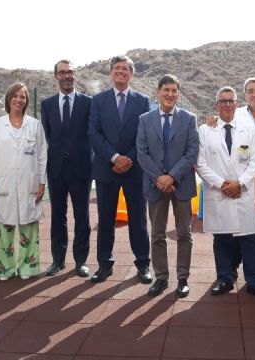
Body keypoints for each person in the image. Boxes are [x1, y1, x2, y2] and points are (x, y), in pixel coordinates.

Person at [196, 86, 255, 300]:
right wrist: (223, 185)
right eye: (223, 101)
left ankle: (254, 282)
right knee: (222, 239)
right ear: (216, 105)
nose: (227, 104)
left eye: (231, 101)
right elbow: (200, 163)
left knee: (249, 239)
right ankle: (224, 278)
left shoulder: (248, 130)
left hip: (242, 193)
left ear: (236, 104)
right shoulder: (205, 130)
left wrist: (241, 183)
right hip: (219, 194)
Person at [88, 55, 152, 284]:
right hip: (107, 169)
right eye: (117, 68)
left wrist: (128, 159)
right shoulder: (98, 100)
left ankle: (143, 264)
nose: (121, 72)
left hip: (135, 170)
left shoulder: (143, 101)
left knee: (138, 219)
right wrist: (114, 157)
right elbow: (94, 133)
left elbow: (144, 134)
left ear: (131, 74)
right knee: (105, 219)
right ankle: (104, 264)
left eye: (125, 69)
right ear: (111, 72)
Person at [137, 74, 199, 297]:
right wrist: (159, 179)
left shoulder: (189, 119)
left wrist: (171, 177)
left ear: (178, 94)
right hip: (155, 186)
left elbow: (192, 153)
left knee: (184, 233)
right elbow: (142, 153)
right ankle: (161, 277)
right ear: (158, 92)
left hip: (180, 184)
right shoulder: (145, 119)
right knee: (157, 234)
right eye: (166, 90)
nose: (170, 94)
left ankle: (183, 278)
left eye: (174, 91)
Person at [0, 82, 47, 281]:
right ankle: (5, 268)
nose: (19, 100)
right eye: (15, 96)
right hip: (3, 183)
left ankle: (28, 267)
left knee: (29, 227)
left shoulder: (35, 125)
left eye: (22, 96)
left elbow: (42, 156)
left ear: (26, 101)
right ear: (8, 98)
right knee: (5, 228)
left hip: (29, 183)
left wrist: (41, 182)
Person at [41, 60, 92, 278]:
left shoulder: (88, 103)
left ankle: (80, 262)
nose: (67, 76)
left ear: (75, 75)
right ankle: (58, 261)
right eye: (62, 72)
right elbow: (48, 136)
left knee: (82, 217)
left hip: (81, 169)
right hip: (57, 170)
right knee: (57, 217)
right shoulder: (47, 105)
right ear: (56, 76)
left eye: (70, 72)